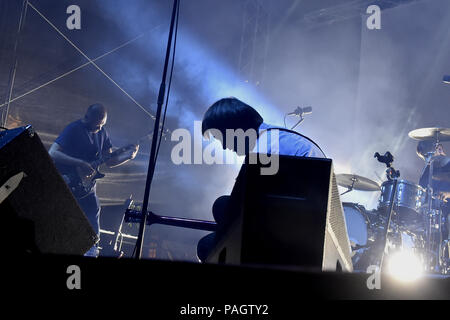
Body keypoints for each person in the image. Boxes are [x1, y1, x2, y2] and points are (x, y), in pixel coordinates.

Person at [196, 97, 324, 262]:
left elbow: (248, 203)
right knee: (222, 207)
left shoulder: (264, 147)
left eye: (222, 138)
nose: (224, 146)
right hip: (299, 219)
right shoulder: (272, 137)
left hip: (296, 228)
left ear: (234, 128)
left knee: (207, 245)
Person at [49, 103, 139, 257]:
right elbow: (53, 153)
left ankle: (91, 250)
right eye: (97, 125)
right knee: (62, 216)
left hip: (87, 186)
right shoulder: (74, 129)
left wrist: (127, 157)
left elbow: (109, 161)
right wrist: (80, 163)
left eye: (102, 124)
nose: (99, 128)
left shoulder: (103, 133)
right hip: (68, 180)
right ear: (88, 117)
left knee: (93, 211)